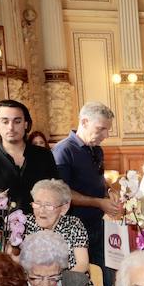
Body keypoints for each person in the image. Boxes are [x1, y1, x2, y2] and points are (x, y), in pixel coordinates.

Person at [53, 102, 117, 268]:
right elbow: (63, 194)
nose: (106, 135)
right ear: (84, 122)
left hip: (98, 224)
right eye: (101, 129)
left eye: (107, 129)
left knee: (105, 277)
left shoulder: (96, 149)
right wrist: (99, 202)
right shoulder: (63, 151)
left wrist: (109, 190)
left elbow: (98, 178)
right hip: (75, 229)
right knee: (82, 281)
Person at [0, 99, 59, 214]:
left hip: (43, 226)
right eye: (5, 122)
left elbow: (57, 194)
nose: (11, 127)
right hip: (0, 229)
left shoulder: (43, 155)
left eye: (17, 121)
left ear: (26, 124)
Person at [30, 178, 90, 272]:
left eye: (48, 206)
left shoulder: (73, 225)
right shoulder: (26, 223)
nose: (41, 211)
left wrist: (57, 283)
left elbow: (82, 264)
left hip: (70, 282)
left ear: (64, 208)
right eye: (37, 204)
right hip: (33, 283)